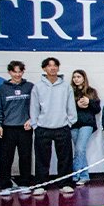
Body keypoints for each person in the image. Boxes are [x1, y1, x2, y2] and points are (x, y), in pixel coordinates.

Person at [30, 57, 77, 196]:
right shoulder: (38, 87)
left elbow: (71, 107)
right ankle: (41, 184)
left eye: (55, 65)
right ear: (44, 69)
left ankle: (65, 183)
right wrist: (35, 124)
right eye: (49, 66)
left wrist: (69, 122)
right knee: (42, 158)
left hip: (62, 126)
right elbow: (34, 107)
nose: (52, 68)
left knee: (65, 158)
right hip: (43, 128)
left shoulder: (66, 86)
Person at [0, 60, 35, 195]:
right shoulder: (2, 89)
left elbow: (37, 106)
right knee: (6, 158)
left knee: (25, 157)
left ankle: (25, 183)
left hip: (25, 128)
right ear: (9, 72)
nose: (17, 74)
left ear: (23, 72)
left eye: (20, 71)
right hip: (8, 128)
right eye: (14, 72)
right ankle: (5, 185)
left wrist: (32, 119)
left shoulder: (30, 87)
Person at [69, 69, 101, 186]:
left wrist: (89, 101)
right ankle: (84, 175)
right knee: (79, 151)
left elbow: (97, 109)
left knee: (79, 149)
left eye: (78, 77)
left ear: (84, 78)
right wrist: (76, 104)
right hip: (74, 124)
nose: (76, 79)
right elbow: (66, 108)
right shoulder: (70, 91)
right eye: (74, 77)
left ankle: (75, 175)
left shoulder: (91, 91)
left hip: (87, 124)